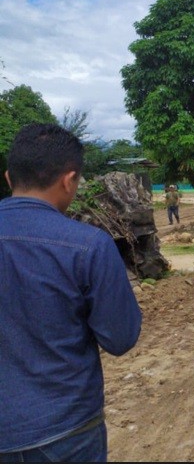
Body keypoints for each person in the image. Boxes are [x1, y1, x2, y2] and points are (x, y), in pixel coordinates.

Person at [0, 123, 142, 462]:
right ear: (69, 180)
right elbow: (120, 338)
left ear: (8, 178)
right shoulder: (88, 246)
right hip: (64, 429)